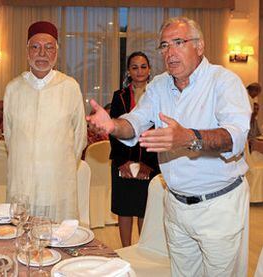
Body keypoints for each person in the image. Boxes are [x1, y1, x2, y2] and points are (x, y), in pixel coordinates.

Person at [87, 17, 250, 276]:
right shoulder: (160, 85)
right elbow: (136, 121)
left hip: (218, 206)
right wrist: (113, 126)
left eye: (178, 42)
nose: (170, 52)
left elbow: (236, 136)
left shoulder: (224, 81)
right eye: (164, 45)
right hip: (175, 204)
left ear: (199, 46)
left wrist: (188, 137)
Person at [4, 21, 87, 222]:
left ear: (56, 52)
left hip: (58, 182)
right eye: (35, 47)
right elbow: (9, 137)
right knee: (22, 241)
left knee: (58, 241)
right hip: (22, 182)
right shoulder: (13, 89)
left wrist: (58, 164)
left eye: (49, 47)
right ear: (27, 52)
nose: (42, 53)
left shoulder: (70, 87)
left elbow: (79, 138)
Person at [109, 51, 160, 247]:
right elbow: (113, 130)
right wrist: (122, 162)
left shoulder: (158, 95)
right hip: (123, 162)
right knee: (124, 208)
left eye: (143, 66)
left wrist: (148, 164)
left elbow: (159, 130)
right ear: (128, 71)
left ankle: (143, 249)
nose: (139, 71)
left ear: (149, 70)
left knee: (144, 208)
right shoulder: (119, 96)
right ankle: (125, 250)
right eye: (134, 67)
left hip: (150, 162)